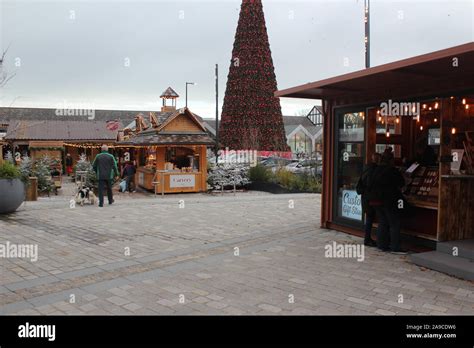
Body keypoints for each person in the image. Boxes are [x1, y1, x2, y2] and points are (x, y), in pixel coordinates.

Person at [367, 152, 407, 254]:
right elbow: (401, 183)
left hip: (375, 200)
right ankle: (395, 247)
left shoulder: (375, 169)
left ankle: (382, 245)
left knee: (383, 221)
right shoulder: (392, 171)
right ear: (391, 160)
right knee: (394, 222)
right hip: (389, 200)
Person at [356, 153, 382, 247]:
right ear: (378, 160)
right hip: (372, 198)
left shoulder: (365, 169)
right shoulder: (376, 171)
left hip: (365, 198)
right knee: (380, 219)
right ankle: (377, 240)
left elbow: (360, 185)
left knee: (369, 219)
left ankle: (367, 239)